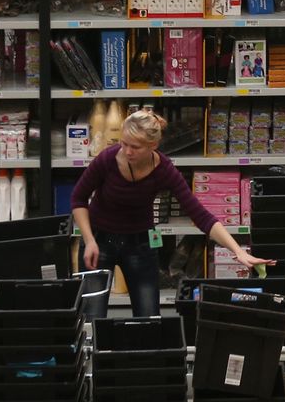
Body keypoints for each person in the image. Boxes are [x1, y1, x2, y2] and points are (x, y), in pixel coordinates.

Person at [70, 109, 272, 317]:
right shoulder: (107, 159)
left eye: (135, 147)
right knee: (91, 316)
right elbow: (78, 199)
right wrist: (89, 239)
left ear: (153, 146)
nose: (127, 151)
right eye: (124, 143)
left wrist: (238, 251)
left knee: (149, 318)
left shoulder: (164, 170)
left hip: (140, 243)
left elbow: (200, 215)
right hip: (99, 240)